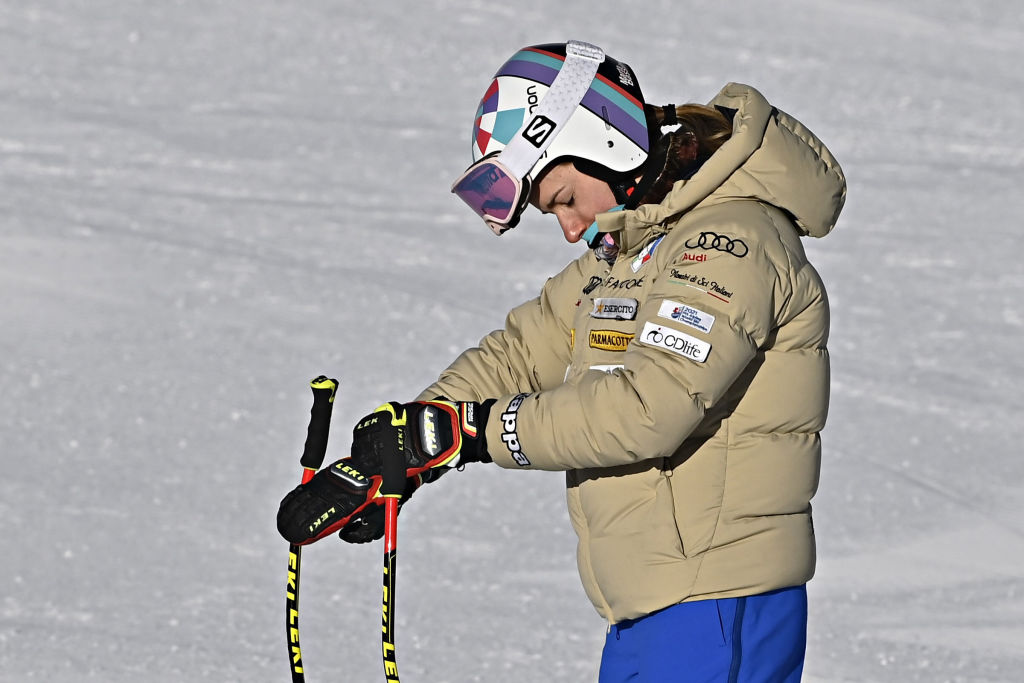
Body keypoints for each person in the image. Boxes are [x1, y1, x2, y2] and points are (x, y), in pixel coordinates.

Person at [278, 39, 846, 682]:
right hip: (657, 606)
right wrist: (409, 439)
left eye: (563, 198)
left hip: (717, 601)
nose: (572, 229)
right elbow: (526, 349)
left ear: (602, 142)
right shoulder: (639, 246)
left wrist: (469, 433)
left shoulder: (730, 244)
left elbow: (647, 410)